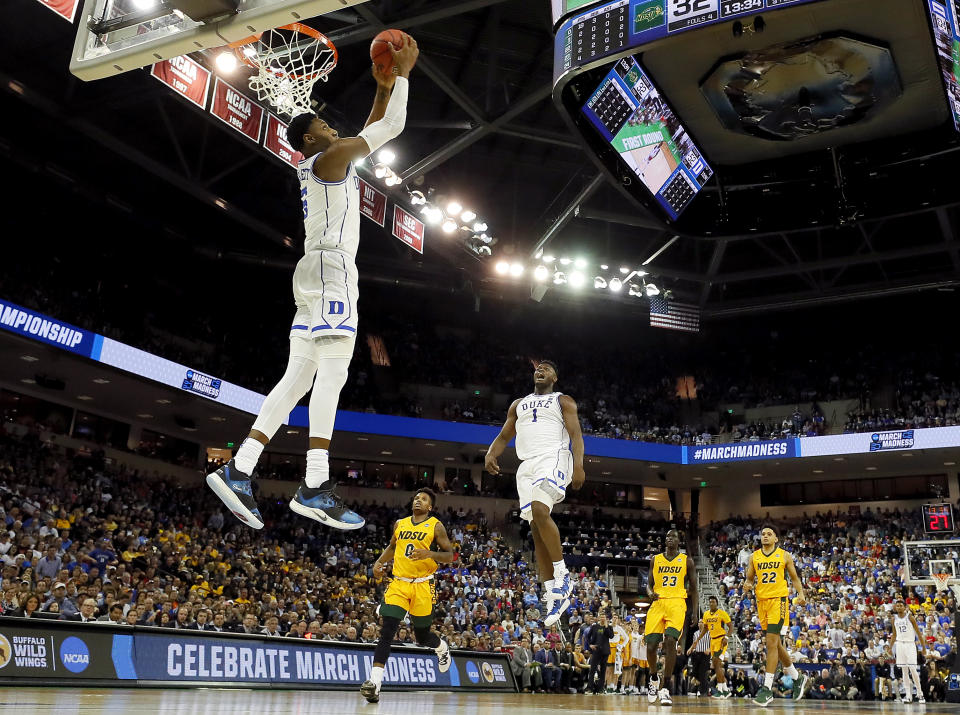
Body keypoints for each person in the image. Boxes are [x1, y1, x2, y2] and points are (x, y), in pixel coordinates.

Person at [206, 34, 420, 532]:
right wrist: (405, 73)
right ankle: (315, 484)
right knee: (334, 372)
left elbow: (371, 126)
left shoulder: (326, 161)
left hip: (315, 272)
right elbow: (391, 128)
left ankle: (239, 469)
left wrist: (382, 88)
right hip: (332, 271)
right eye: (324, 125)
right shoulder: (328, 158)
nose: (332, 127)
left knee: (298, 377)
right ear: (309, 140)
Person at [485, 360, 585, 626]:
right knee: (535, 527)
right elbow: (505, 435)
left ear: (555, 376)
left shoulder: (562, 401)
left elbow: (576, 435)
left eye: (546, 369)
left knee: (541, 510)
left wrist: (579, 466)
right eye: (537, 369)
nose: (540, 371)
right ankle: (553, 591)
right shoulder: (518, 404)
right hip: (526, 465)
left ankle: (563, 576)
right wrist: (491, 453)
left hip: (553, 458)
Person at [361, 488, 452, 703]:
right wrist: (379, 563)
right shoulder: (400, 524)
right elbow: (393, 547)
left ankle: (441, 647)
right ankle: (374, 683)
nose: (418, 500)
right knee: (387, 630)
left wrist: (429, 553)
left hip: (422, 585)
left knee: (421, 637)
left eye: (424, 499)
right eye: (416, 497)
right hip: (399, 583)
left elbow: (450, 556)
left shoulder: (436, 526)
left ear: (430, 507)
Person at [744, 524, 810, 707]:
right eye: (763, 534)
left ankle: (766, 689)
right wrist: (747, 584)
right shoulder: (754, 557)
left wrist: (801, 595)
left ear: (776, 539)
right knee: (776, 644)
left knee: (771, 643)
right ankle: (798, 678)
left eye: (769, 534)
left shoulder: (784, 555)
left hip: (779, 601)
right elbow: (750, 578)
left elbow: (795, 578)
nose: (765, 536)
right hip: (761, 602)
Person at [644, 529, 697, 706]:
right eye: (667, 536)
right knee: (651, 646)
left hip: (677, 603)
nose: (669, 539)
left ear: (679, 541)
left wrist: (695, 611)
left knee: (670, 641)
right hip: (658, 603)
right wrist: (650, 593)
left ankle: (666, 688)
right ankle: (653, 679)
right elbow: (649, 585)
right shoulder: (655, 559)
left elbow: (695, 589)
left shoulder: (686, 561)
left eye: (673, 536)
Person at [692, 595, 732, 698]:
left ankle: (720, 690)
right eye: (710, 602)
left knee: (717, 663)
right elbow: (705, 629)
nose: (711, 603)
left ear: (717, 603)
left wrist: (726, 638)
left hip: (721, 640)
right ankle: (725, 690)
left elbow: (731, 627)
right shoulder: (706, 614)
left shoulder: (722, 613)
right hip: (712, 641)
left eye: (713, 602)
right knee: (716, 665)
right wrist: (698, 639)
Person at [893, 597, 927, 703]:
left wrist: (923, 647)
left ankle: (920, 694)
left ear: (905, 607)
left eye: (901, 605)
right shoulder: (894, 619)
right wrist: (890, 647)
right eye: (897, 605)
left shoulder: (910, 617)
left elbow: (918, 633)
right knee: (904, 671)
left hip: (910, 644)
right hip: (899, 645)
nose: (899, 607)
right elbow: (894, 635)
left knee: (913, 669)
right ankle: (908, 696)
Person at [588, 612, 614, 694]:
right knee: (592, 669)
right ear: (599, 618)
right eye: (601, 617)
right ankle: (590, 688)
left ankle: (600, 689)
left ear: (606, 619)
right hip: (596, 650)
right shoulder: (594, 626)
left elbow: (611, 636)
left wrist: (606, 626)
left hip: (605, 651)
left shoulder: (609, 627)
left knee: (603, 671)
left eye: (604, 617)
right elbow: (587, 636)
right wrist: (590, 645)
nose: (602, 618)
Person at [606, 613, 628, 693]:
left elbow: (627, 638)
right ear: (612, 619)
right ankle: (608, 687)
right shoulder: (608, 627)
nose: (615, 619)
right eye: (614, 617)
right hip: (609, 649)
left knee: (616, 670)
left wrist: (622, 646)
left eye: (616, 618)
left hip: (617, 650)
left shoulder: (619, 628)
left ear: (618, 619)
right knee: (608, 669)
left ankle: (614, 687)